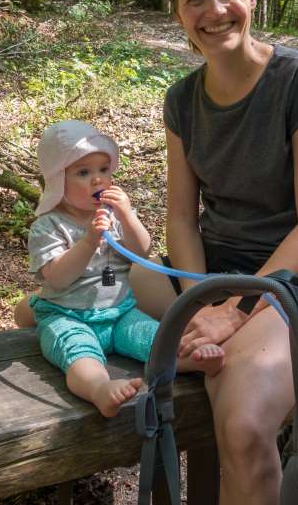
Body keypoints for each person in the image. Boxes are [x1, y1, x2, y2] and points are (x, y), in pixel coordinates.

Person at [131, 0, 298, 505]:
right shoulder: (181, 99)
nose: (213, 11)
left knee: (245, 427)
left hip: (288, 281)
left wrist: (236, 309)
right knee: (101, 286)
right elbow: (181, 218)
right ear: (177, 12)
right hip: (211, 273)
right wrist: (201, 297)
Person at [26, 120, 225, 418]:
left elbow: (141, 251)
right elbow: (57, 275)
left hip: (120, 312)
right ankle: (99, 389)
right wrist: (89, 241)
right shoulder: (48, 226)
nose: (98, 180)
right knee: (79, 354)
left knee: (156, 337)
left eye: (104, 170)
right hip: (68, 317)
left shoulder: (112, 216)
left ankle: (192, 359)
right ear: (57, 180)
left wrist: (128, 216)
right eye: (83, 172)